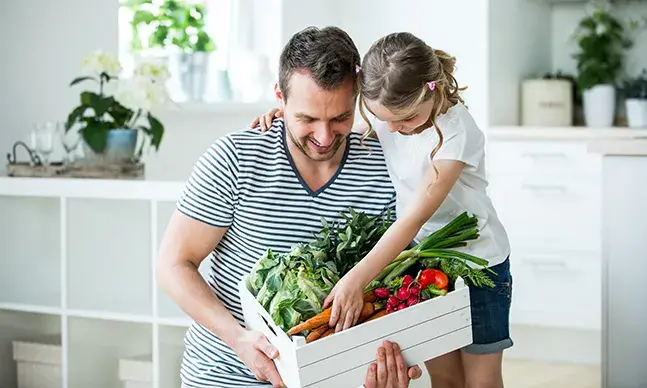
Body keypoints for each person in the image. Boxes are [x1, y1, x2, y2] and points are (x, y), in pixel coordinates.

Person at [156, 26, 422, 388]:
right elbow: (173, 264)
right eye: (307, 119)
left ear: (359, 99)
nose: (325, 137)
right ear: (279, 98)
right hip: (229, 376)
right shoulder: (235, 159)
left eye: (340, 118)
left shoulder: (387, 167)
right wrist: (239, 339)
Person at [250, 32, 513, 388]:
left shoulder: (456, 133)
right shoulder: (392, 114)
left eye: (404, 121)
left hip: (479, 264)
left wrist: (356, 278)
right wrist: (293, 113)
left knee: (481, 380)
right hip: (430, 263)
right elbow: (335, 124)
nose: (391, 130)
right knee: (447, 378)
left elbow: (414, 218)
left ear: (429, 92)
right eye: (380, 118)